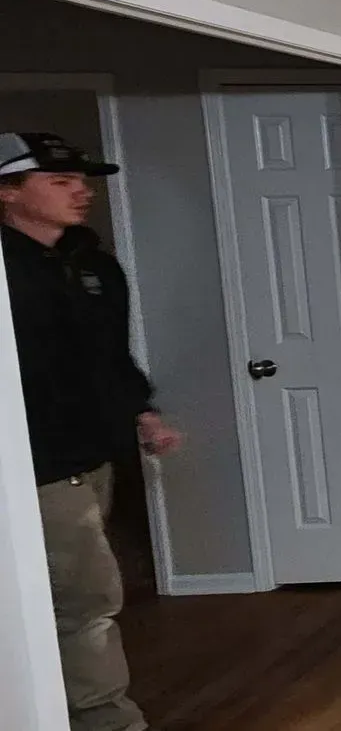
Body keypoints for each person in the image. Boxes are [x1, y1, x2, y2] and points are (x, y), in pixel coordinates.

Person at [2, 131, 180, 731]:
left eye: (83, 181)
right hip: (36, 461)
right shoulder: (6, 269)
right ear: (7, 191)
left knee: (75, 596)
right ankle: (109, 722)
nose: (82, 192)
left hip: (95, 454)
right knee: (87, 601)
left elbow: (110, 355)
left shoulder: (92, 264)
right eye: (60, 181)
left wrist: (142, 412)